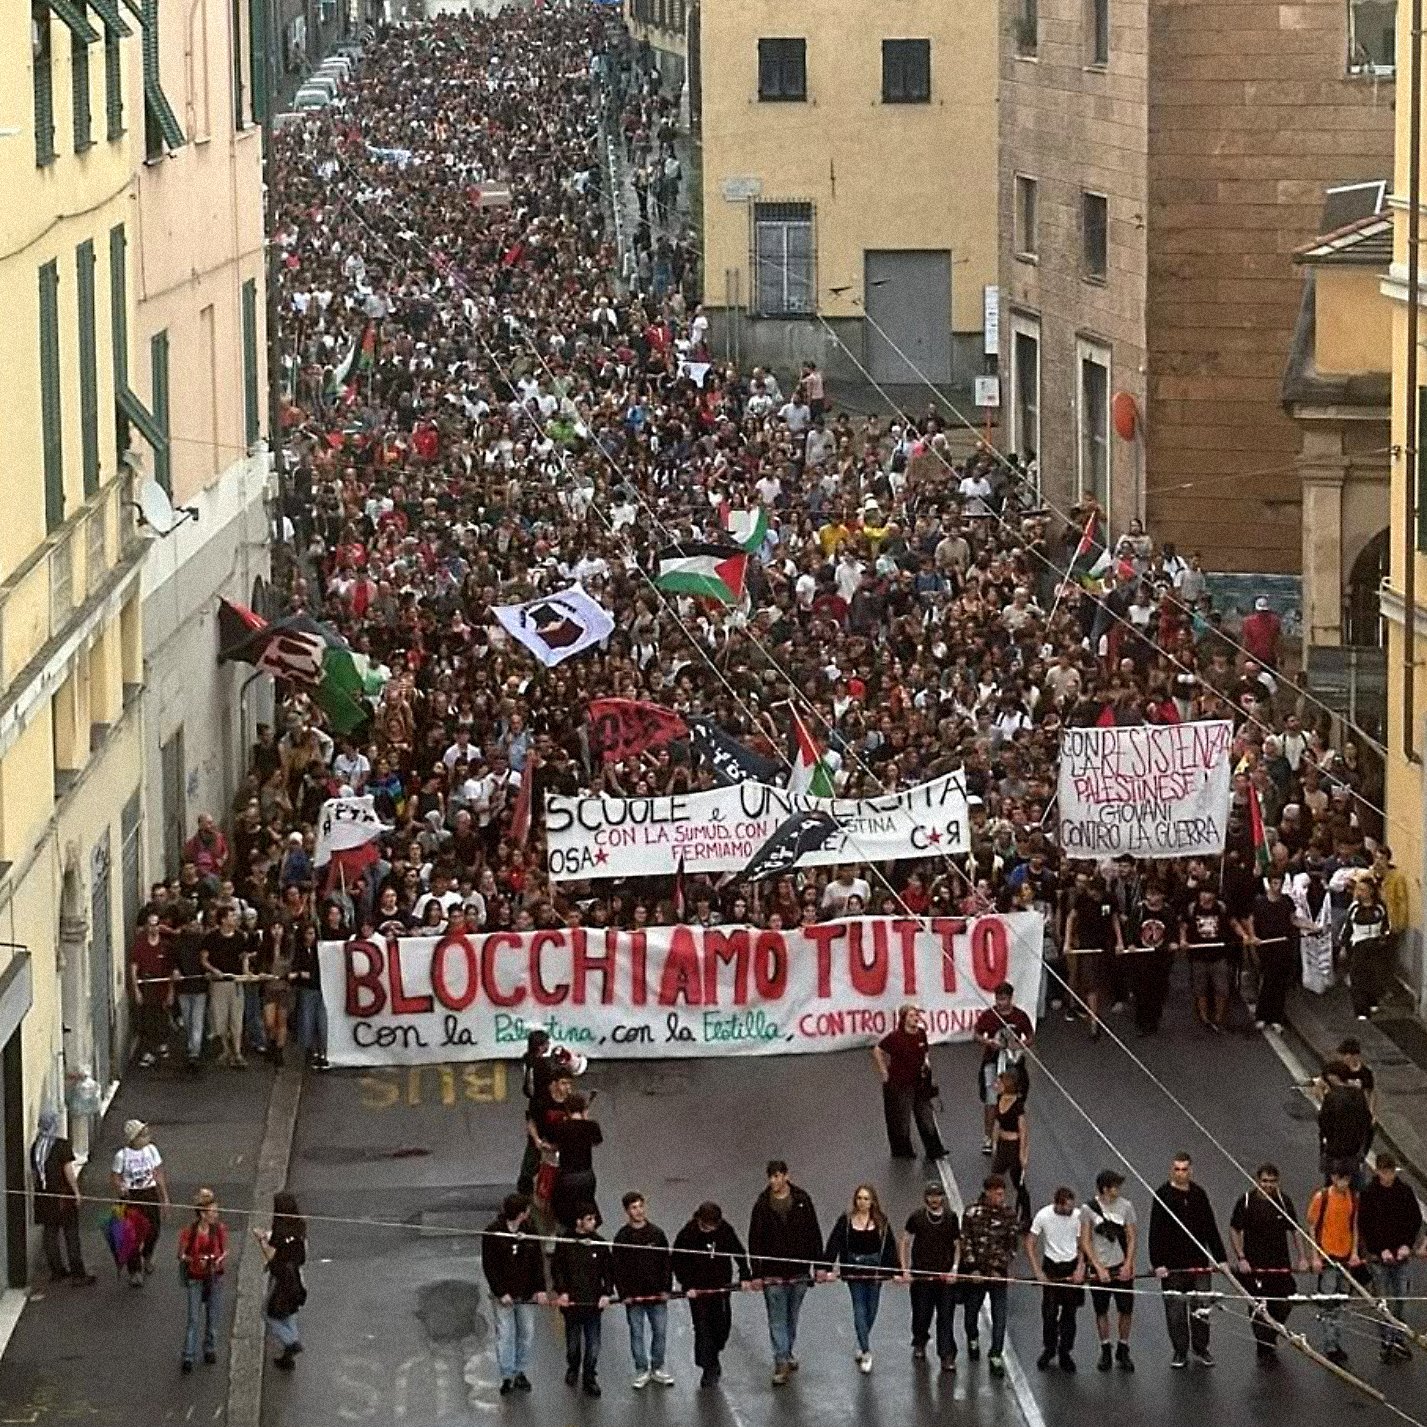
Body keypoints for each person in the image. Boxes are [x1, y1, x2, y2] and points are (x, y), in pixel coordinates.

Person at [748, 1159, 825, 1386]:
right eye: (771, 1177)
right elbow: (755, 1240)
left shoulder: (802, 1201)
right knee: (777, 1318)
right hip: (773, 1273)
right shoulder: (762, 1206)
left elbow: (814, 1233)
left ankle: (787, 1350)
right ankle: (780, 1359)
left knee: (792, 1316)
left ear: (786, 1176)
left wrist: (818, 1265)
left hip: (799, 1270)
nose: (774, 1181)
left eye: (778, 1176)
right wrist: (757, 1272)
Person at [1148, 1153, 1226, 1368]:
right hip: (1172, 1267)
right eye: (1177, 1169)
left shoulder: (1199, 1194)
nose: (1181, 1173)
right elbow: (1155, 1232)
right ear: (1171, 1170)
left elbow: (1211, 1227)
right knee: (1175, 1312)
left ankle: (1201, 1348)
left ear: (1191, 1170)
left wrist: (1221, 1258)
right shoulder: (1162, 1195)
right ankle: (1180, 1351)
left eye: (1184, 1169)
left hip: (1199, 1263)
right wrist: (1158, 1263)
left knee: (1201, 1308)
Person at [1228, 1162, 1305, 1364]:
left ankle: (1271, 1334)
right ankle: (1263, 1346)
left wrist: (1303, 1257)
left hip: (1280, 1265)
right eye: (1264, 1181)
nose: (1268, 1185)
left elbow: (1295, 1230)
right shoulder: (1246, 1202)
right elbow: (1234, 1230)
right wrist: (1241, 1257)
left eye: (1272, 1182)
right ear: (1257, 1181)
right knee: (1258, 1307)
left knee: (1285, 1302)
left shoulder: (1283, 1201)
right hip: (1255, 1268)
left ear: (1277, 1182)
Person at [671, 1201, 750, 1388]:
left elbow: (738, 1251)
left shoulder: (724, 1230)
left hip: (721, 1286)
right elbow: (677, 1261)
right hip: (697, 1290)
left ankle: (716, 1350)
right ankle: (709, 1366)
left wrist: (745, 1274)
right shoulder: (688, 1234)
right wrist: (687, 1285)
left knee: (722, 1326)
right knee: (703, 1328)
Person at [824, 1184, 900, 1374]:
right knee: (859, 1307)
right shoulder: (846, 1221)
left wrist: (896, 1270)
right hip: (854, 1271)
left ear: (872, 1201)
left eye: (866, 1198)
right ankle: (866, 1351)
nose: (862, 1202)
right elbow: (834, 1242)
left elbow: (890, 1246)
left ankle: (861, 1339)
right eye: (859, 1198)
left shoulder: (882, 1222)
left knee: (871, 1310)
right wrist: (826, 1268)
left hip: (875, 1272)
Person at [1358, 1152, 1423, 1362]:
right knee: (1384, 1302)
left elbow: (1414, 1220)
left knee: (1400, 1300)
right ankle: (1386, 1341)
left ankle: (1398, 1338)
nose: (1388, 1176)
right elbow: (1366, 1227)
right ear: (1377, 1171)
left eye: (1390, 1172)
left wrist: (1406, 1245)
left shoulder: (1404, 1192)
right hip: (1379, 1258)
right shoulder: (1369, 1194)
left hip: (1401, 1255)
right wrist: (1380, 1250)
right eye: (1384, 1172)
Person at [481, 1192, 544, 1395]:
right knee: (506, 1335)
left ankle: (520, 1371)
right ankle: (507, 1374)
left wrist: (539, 1289)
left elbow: (537, 1262)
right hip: (504, 1296)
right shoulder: (493, 1233)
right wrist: (501, 1292)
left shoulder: (530, 1231)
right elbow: (489, 1266)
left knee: (526, 1333)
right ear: (521, 1213)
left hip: (525, 1293)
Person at [959, 1174, 1022, 1376]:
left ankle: (996, 1353)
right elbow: (966, 1242)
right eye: (997, 1193)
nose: (1001, 1197)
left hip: (997, 1274)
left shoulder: (1009, 1215)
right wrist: (974, 1268)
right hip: (976, 1273)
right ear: (987, 1192)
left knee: (1000, 1316)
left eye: (1002, 1194)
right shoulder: (971, 1213)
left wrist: (999, 1267)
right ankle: (973, 1338)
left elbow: (1012, 1245)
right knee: (971, 1313)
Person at [612, 1191, 676, 1388]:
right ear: (627, 1211)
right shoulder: (622, 1237)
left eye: (641, 1206)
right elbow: (618, 1269)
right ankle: (641, 1369)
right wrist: (624, 1294)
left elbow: (666, 1263)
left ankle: (657, 1367)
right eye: (634, 1207)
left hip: (657, 1295)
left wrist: (667, 1288)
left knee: (660, 1332)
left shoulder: (657, 1234)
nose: (638, 1211)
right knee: (636, 1333)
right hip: (634, 1297)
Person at [550, 1203, 613, 1397]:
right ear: (579, 1222)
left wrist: (606, 1293)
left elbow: (608, 1272)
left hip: (593, 1305)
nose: (594, 1223)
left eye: (594, 1219)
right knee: (573, 1344)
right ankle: (573, 1367)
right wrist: (562, 1292)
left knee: (593, 1345)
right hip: (572, 1305)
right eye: (589, 1219)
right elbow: (557, 1270)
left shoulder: (600, 1244)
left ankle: (589, 1377)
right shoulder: (565, 1243)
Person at [871, 1003, 945, 1160]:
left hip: (920, 1082)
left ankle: (934, 1149)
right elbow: (878, 1050)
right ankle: (902, 1151)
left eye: (916, 1015)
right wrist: (883, 1071)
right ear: (904, 1018)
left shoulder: (921, 1034)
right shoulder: (895, 1037)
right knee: (901, 1119)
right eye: (911, 1015)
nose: (915, 1018)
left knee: (926, 1115)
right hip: (900, 1084)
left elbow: (925, 1053)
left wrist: (929, 1070)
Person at [1080, 1169, 1137, 1372]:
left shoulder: (1126, 1207)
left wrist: (1128, 1263)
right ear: (1105, 1189)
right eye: (1115, 1187)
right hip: (1101, 1268)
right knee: (1101, 1310)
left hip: (1120, 1267)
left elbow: (1131, 1237)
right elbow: (1086, 1241)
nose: (1118, 1190)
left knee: (1125, 1309)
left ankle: (1123, 1346)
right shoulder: (1088, 1209)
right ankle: (1105, 1347)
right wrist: (1097, 1267)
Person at [900, 1180, 960, 1371]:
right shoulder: (916, 1217)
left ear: (942, 1197)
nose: (934, 1199)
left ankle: (947, 1355)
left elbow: (958, 1245)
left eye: (938, 1195)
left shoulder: (951, 1218)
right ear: (926, 1197)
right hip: (921, 1277)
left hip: (944, 1278)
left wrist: (955, 1269)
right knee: (921, 1314)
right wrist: (905, 1269)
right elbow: (905, 1241)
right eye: (931, 1196)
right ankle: (920, 1340)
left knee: (945, 1318)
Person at [29, 1110, 94, 1285]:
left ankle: (57, 1271)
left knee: (50, 1232)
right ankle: (78, 1273)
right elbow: (68, 1171)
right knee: (71, 1232)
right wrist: (77, 1191)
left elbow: (36, 1173)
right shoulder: (61, 1145)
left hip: (43, 1195)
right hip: (62, 1195)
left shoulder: (36, 1146)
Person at [1306, 1164, 1362, 1365]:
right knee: (1329, 1303)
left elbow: (1353, 1227)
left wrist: (1354, 1252)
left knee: (1340, 1302)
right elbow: (1312, 1228)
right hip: (1327, 1257)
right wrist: (1315, 1256)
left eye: (1346, 1180)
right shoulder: (1322, 1198)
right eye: (1340, 1179)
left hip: (1345, 1257)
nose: (1343, 1183)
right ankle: (1331, 1345)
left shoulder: (1353, 1199)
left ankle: (1335, 1341)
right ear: (1333, 1178)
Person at [1027, 1187, 1086, 1371]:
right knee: (1049, 1313)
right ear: (1058, 1204)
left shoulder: (1078, 1216)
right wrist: (1038, 1272)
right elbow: (1030, 1242)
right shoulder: (1043, 1215)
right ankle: (1049, 1348)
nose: (1071, 1210)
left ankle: (1065, 1352)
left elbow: (1083, 1244)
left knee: (1070, 1314)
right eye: (1067, 1207)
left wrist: (1080, 1269)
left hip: (1071, 1264)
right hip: (1052, 1266)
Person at [973, 983, 1034, 1155]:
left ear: (1010, 998)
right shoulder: (989, 1016)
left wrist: (1020, 1045)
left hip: (1013, 1065)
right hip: (992, 1062)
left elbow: (1030, 1036)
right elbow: (976, 1034)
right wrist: (988, 1042)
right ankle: (987, 1137)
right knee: (991, 1100)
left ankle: (1013, 1134)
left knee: (1014, 1100)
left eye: (1004, 999)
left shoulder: (1020, 1016)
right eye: (998, 999)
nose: (1000, 1003)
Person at [110, 1119, 169, 1287]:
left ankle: (147, 1255)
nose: (147, 1137)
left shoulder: (151, 1151)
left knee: (153, 1230)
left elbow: (158, 1174)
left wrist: (164, 1198)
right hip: (132, 1196)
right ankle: (135, 1271)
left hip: (149, 1193)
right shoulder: (122, 1156)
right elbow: (115, 1176)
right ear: (133, 1138)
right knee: (132, 1234)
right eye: (143, 1135)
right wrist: (120, 1187)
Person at [254, 1191, 308, 1370]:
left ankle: (290, 1341)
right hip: (296, 1274)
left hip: (280, 1277)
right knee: (290, 1311)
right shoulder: (299, 1226)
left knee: (268, 1313)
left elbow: (271, 1255)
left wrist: (261, 1240)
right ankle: (287, 1355)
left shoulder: (280, 1230)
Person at [177, 1188, 228, 1372]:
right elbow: (181, 1254)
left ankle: (209, 1348)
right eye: (213, 1211)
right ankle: (188, 1355)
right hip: (195, 1278)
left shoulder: (219, 1229)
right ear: (202, 1213)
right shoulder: (189, 1232)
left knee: (213, 1317)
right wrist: (193, 1260)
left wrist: (217, 1259)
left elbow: (224, 1251)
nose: (216, 1214)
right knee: (193, 1318)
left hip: (214, 1276)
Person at [1242, 869, 1296, 1032]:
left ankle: (1276, 1017)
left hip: (1283, 946)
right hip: (1266, 946)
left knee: (1280, 983)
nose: (1276, 886)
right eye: (1274, 883)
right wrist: (1253, 937)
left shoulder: (1287, 901)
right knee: (1267, 981)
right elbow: (1250, 920)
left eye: (1279, 883)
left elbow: (1294, 920)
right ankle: (1262, 1016)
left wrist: (1312, 926)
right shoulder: (1260, 902)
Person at [200, 903, 249, 1067]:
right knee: (220, 1018)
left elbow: (244, 956)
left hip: (235, 981)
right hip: (219, 982)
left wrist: (245, 973)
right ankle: (225, 1049)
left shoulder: (240, 937)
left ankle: (238, 1052)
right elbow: (204, 959)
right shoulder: (211, 937)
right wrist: (214, 971)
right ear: (222, 920)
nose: (235, 919)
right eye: (231, 916)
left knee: (237, 1018)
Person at [1180, 885, 1232, 1033]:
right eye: (1202, 893)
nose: (1204, 896)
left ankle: (1218, 1018)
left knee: (1221, 988)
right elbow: (1183, 926)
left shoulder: (1220, 908)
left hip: (1218, 955)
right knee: (1200, 988)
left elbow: (1232, 923)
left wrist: (1245, 936)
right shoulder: (1192, 908)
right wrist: (1183, 940)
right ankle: (1204, 1018)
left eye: (1207, 893)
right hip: (1198, 955)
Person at [548, 1091, 603, 1229]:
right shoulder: (591, 1126)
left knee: (564, 1210)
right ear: (584, 1109)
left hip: (567, 1177)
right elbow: (597, 1141)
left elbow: (552, 1145)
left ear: (567, 1109)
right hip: (586, 1176)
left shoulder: (560, 1127)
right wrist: (585, 1119)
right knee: (586, 1207)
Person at [1339, 874, 1390, 1020]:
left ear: (1371, 891)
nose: (1359, 892)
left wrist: (1384, 937)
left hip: (1375, 944)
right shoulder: (1354, 907)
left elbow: (1386, 924)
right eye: (1358, 889)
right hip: (1359, 945)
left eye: (1363, 889)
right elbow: (1347, 927)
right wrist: (1343, 945)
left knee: (1374, 975)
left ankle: (1372, 1001)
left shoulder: (1380, 906)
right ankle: (1361, 1010)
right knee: (1358, 977)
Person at [1317, 1060, 1374, 1184]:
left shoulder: (1331, 1097)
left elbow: (1324, 1122)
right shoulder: (1359, 1095)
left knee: (1333, 1188)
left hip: (1335, 1151)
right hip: (1355, 1151)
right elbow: (1367, 1121)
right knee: (1355, 1186)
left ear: (1333, 1077)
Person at [129, 914, 174, 1068]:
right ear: (147, 927)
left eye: (156, 925)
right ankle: (148, 1051)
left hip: (162, 986)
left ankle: (162, 1044)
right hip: (147, 986)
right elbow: (134, 969)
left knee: (161, 1018)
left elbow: (170, 972)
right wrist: (136, 990)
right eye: (150, 925)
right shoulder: (140, 945)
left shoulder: (165, 946)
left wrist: (170, 992)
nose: (153, 928)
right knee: (147, 1019)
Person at [989, 1070, 1030, 1225]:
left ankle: (1025, 1215)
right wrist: (994, 1144)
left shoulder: (1017, 1105)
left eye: (999, 1082)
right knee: (995, 1178)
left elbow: (1024, 1131)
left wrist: (1023, 1154)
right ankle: (993, 1209)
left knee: (1017, 1182)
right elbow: (997, 1124)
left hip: (1013, 1145)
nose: (996, 1085)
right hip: (1002, 1144)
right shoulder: (1000, 1099)